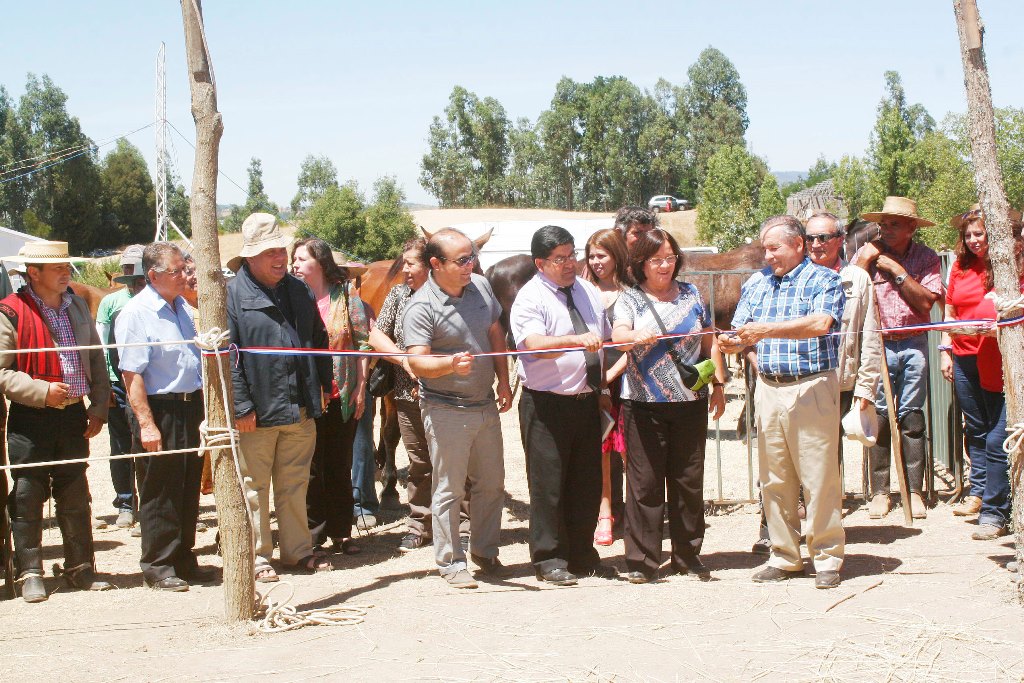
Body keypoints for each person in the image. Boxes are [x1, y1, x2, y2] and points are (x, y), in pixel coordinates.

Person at [721, 215, 846, 589]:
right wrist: (731, 343)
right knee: (775, 479)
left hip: (811, 386)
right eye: (765, 248)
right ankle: (785, 556)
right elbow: (741, 330)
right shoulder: (756, 284)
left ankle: (826, 558)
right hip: (769, 388)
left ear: (798, 245)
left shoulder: (824, 280)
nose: (768, 255)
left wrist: (764, 331)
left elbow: (821, 324)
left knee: (819, 476)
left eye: (774, 248)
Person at [0, 241, 113, 602]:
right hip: (31, 416)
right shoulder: (9, 312)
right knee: (27, 493)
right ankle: (30, 571)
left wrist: (99, 405)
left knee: (75, 489)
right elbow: (1, 371)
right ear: (33, 273)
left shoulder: (76, 305)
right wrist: (40, 391)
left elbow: (95, 358)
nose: (66, 273)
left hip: (73, 414)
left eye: (67, 266)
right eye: (57, 268)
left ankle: (80, 566)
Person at [612, 229, 726, 583]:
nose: (664, 266)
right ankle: (642, 561)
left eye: (670, 258)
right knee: (644, 485)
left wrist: (719, 385)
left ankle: (687, 556)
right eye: (656, 260)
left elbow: (709, 340)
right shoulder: (630, 299)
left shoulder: (692, 294)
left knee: (688, 481)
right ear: (640, 263)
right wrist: (634, 336)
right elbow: (618, 337)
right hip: (643, 404)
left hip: (690, 401)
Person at [226, 213, 334, 581]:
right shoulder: (232, 295)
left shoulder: (299, 290)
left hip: (300, 406)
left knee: (295, 483)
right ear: (250, 256)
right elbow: (228, 356)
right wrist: (241, 405)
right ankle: (257, 557)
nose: (279, 257)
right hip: (256, 412)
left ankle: (297, 551)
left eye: (280, 250)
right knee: (253, 487)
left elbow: (318, 339)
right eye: (269, 251)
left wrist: (323, 385)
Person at [403, 228, 512, 589]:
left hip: (484, 403)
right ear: (436, 263)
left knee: (492, 483)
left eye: (472, 257)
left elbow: (495, 332)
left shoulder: (480, 287)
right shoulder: (420, 306)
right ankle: (451, 562)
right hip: (445, 408)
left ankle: (484, 550)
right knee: (449, 489)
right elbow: (417, 362)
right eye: (462, 259)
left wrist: (504, 380)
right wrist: (449, 365)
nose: (471, 265)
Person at [511, 225, 619, 585]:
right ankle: (549, 558)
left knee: (585, 483)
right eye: (560, 258)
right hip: (546, 405)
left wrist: (603, 387)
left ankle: (582, 554)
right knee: (549, 485)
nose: (570, 263)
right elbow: (533, 344)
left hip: (586, 401)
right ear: (540, 263)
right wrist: (575, 340)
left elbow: (604, 339)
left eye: (572, 255)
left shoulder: (587, 290)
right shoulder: (530, 298)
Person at [117, 241, 216, 591]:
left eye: (184, 269)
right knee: (160, 487)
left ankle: (183, 557)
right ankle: (158, 564)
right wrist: (147, 424)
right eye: (176, 271)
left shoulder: (182, 308)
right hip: (161, 408)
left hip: (189, 406)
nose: (184, 276)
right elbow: (132, 374)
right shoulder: (136, 313)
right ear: (153, 275)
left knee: (187, 486)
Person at [370, 238, 473, 553]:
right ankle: (420, 525)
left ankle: (463, 525)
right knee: (419, 464)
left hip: (450, 394)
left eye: (410, 264)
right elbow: (376, 334)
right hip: (406, 393)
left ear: (430, 266)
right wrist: (405, 361)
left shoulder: (455, 296)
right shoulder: (399, 295)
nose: (404, 270)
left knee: (457, 462)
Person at [854, 197, 944, 519]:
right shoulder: (868, 254)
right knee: (878, 415)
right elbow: (849, 292)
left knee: (911, 416)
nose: (885, 230)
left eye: (894, 224)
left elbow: (925, 303)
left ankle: (913, 491)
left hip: (913, 343)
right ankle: (881, 492)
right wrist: (863, 263)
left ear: (911, 227)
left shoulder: (926, 258)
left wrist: (896, 270)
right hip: (877, 344)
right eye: (883, 224)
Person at [939, 205, 1020, 539]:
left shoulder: (1011, 270)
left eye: (980, 233)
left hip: (1007, 363)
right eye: (968, 234)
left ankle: (995, 510)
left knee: (999, 437)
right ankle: (988, 500)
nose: (974, 240)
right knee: (982, 430)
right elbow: (951, 309)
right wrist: (947, 346)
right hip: (978, 360)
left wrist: (998, 327)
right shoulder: (960, 266)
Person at [291, 237, 368, 556]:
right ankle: (313, 532)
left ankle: (341, 531)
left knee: (339, 463)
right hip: (308, 397)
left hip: (342, 394)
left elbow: (362, 344)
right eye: (294, 259)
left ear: (320, 263)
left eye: (301, 259)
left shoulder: (346, 295)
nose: (294, 264)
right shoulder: (293, 297)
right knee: (311, 466)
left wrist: (361, 387)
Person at [582, 228, 631, 546]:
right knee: (601, 452)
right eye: (591, 256)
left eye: (602, 255)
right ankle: (604, 514)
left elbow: (636, 345)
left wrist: (609, 376)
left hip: (626, 382)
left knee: (630, 452)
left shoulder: (632, 293)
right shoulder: (582, 292)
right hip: (592, 383)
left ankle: (637, 513)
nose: (596, 262)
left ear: (616, 256)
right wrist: (598, 381)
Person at [95, 244, 146, 529]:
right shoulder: (111, 303)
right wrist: (104, 383)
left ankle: (152, 502)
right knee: (120, 445)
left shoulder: (158, 301)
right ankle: (126, 502)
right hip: (117, 384)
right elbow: (102, 345)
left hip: (149, 385)